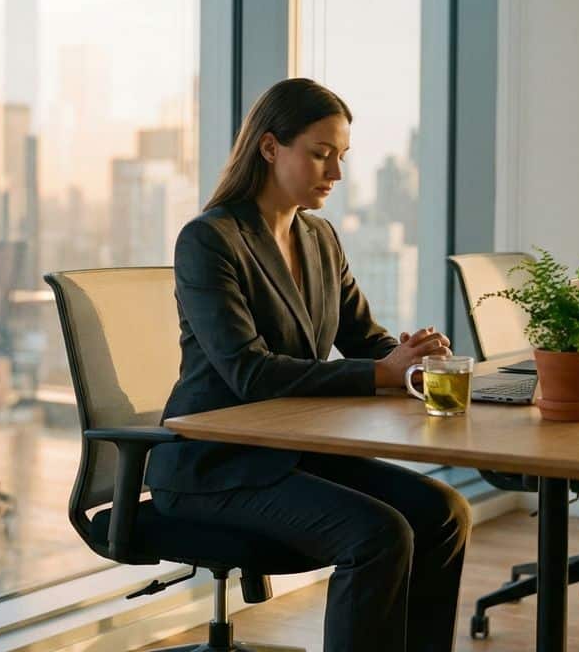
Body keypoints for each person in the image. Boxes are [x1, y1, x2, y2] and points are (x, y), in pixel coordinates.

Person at [145, 78, 472, 652]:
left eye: (340, 157)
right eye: (321, 154)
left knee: (444, 510)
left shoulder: (318, 237)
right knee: (378, 534)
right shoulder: (210, 240)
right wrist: (381, 374)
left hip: (294, 453)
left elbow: (361, 337)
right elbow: (250, 371)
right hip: (214, 465)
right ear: (270, 148)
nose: (336, 174)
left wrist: (413, 361)